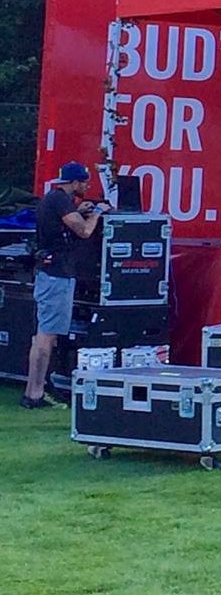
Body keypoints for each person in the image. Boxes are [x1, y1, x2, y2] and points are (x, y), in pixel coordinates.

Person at [23, 162, 108, 410]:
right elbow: (83, 231)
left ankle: (35, 390)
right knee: (46, 336)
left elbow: (64, 221)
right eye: (84, 182)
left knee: (44, 334)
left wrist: (79, 210)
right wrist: (96, 213)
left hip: (51, 274)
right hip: (57, 275)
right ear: (74, 182)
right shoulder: (60, 200)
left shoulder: (55, 200)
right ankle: (35, 394)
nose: (86, 187)